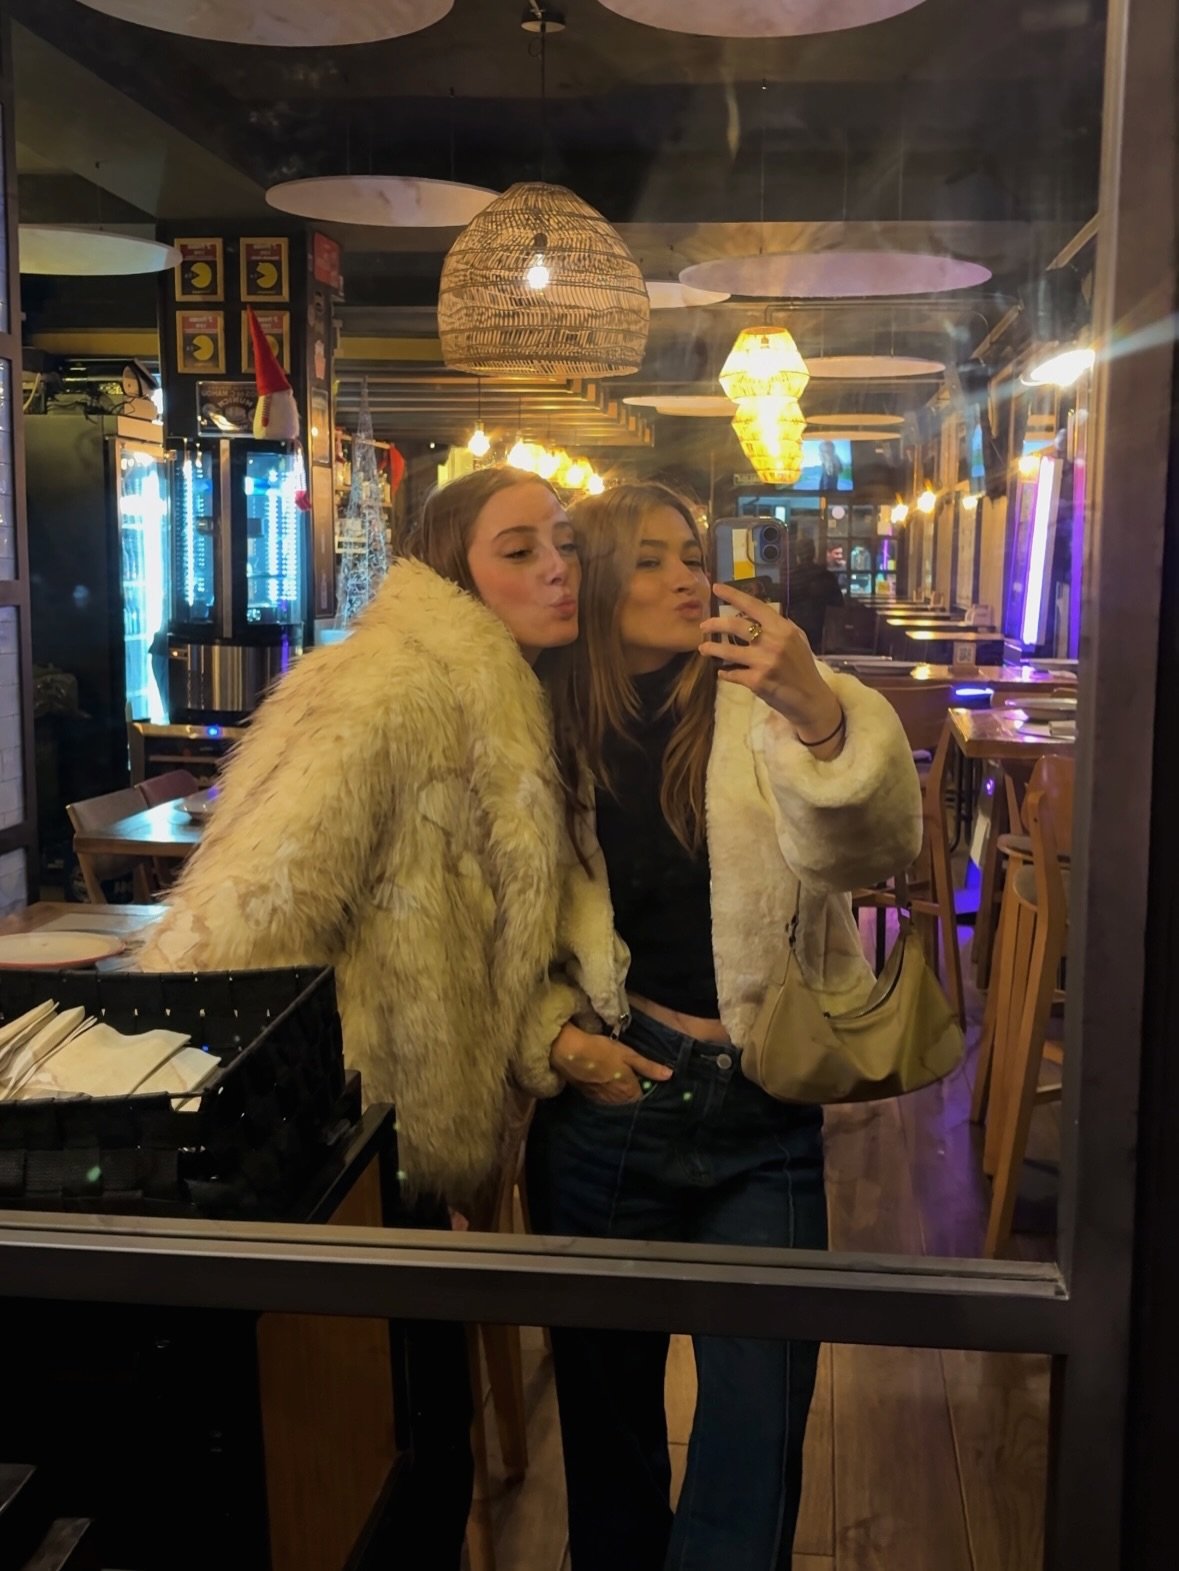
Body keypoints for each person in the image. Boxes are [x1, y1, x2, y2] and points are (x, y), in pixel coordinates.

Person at [138, 464, 586, 1569]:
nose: (558, 568)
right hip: (342, 1155)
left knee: (418, 1462)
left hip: (404, 1156)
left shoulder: (501, 695)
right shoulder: (386, 686)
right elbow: (246, 919)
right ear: (452, 571)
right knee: (383, 1483)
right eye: (519, 548)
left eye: (563, 543)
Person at [527, 482, 922, 1571]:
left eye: (692, 556)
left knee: (760, 1428)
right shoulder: (539, 722)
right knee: (608, 1438)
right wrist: (555, 1040)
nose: (686, 579)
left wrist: (822, 713)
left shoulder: (758, 700)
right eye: (649, 560)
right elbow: (483, 918)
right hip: (613, 1098)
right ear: (594, 583)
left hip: (762, 1098)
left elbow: (873, 850)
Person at [788, 535, 843, 653]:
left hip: (795, 629)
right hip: (821, 629)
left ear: (797, 555)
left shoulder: (791, 578)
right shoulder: (826, 576)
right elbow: (839, 605)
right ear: (814, 553)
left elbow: (784, 604)